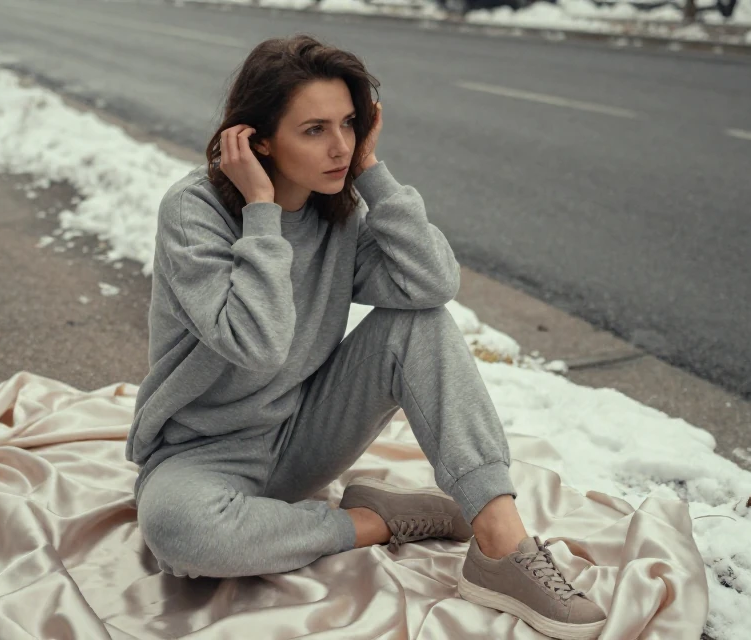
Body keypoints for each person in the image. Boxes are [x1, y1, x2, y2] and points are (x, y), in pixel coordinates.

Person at [125, 34, 607, 640]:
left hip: (302, 438)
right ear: (257, 139)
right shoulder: (193, 212)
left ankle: (501, 545)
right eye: (315, 130)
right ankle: (378, 520)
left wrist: (372, 175)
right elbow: (257, 344)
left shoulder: (340, 213)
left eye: (350, 124)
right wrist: (262, 213)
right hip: (201, 456)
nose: (340, 147)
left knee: (420, 323)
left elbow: (433, 283)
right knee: (179, 533)